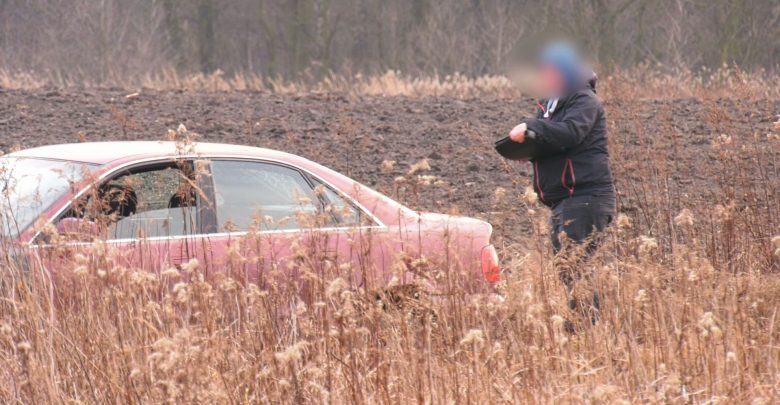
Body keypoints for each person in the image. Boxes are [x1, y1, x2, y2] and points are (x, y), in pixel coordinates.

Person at [508, 42, 616, 324]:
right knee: (568, 268)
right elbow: (555, 140)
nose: (547, 76)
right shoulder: (551, 105)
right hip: (564, 200)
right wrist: (529, 149)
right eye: (545, 71)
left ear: (566, 71)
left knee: (575, 266)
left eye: (552, 71)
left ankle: (586, 326)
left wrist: (533, 127)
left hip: (585, 197)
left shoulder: (583, 100)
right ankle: (583, 324)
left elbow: (569, 133)